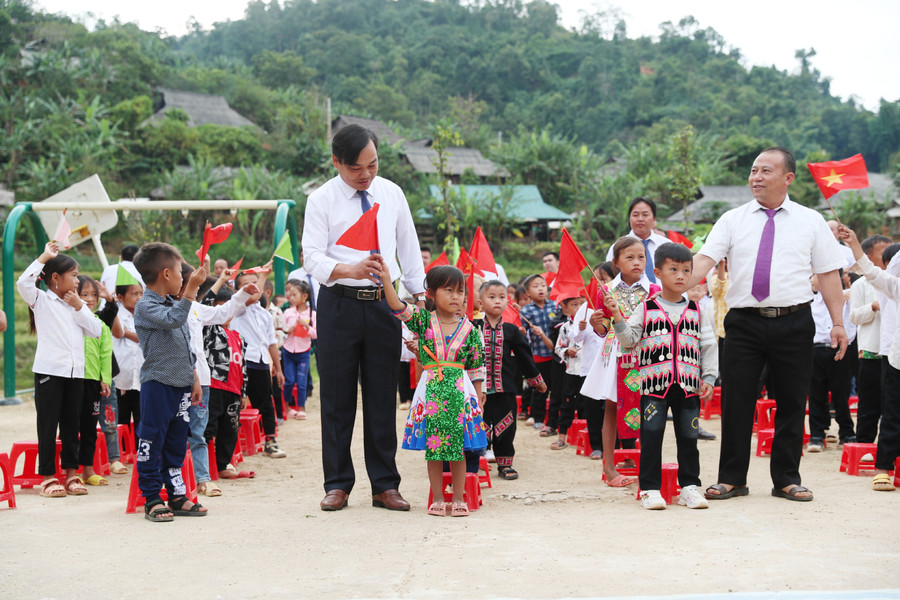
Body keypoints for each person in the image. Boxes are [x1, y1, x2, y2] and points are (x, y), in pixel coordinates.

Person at [689, 147, 848, 503]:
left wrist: (838, 322)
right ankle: (732, 478)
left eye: (765, 171)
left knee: (792, 400)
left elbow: (828, 274)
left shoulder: (811, 221)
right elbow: (704, 260)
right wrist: (674, 282)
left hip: (795, 322)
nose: (756, 177)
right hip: (743, 323)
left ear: (788, 178)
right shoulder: (732, 219)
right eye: (753, 170)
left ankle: (787, 479)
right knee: (736, 401)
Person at [302, 123, 427, 512]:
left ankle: (385, 485)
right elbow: (312, 256)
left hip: (383, 304)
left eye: (372, 164)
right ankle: (337, 484)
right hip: (338, 303)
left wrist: (421, 298)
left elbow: (409, 247)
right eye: (356, 167)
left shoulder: (391, 193)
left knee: (382, 395)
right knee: (336, 397)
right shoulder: (320, 199)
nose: (366, 174)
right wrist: (349, 269)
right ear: (336, 162)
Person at [608, 242, 718, 509]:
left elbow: (708, 346)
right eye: (674, 269)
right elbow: (629, 340)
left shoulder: (697, 310)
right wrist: (617, 317)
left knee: (689, 439)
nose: (681, 276)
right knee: (651, 438)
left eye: (686, 270)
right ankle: (649, 489)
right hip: (653, 388)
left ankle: (690, 487)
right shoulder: (646, 308)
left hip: (689, 387)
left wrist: (709, 377)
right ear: (658, 272)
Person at [381, 265, 487, 516]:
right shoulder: (423, 321)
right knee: (435, 447)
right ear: (430, 293)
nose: (455, 296)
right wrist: (387, 278)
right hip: (431, 393)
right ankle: (438, 498)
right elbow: (396, 305)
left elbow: (475, 367)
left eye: (460, 291)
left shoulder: (471, 330)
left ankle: (459, 498)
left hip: (461, 394)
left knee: (459, 448)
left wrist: (479, 398)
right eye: (448, 290)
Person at [17, 242, 102, 498]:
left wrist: (79, 306)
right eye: (73, 275)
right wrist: (44, 257)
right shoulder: (41, 300)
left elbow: (96, 331)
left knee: (71, 426)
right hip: (49, 373)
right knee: (48, 425)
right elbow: (23, 283)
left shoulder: (77, 305)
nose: (77, 281)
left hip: (75, 375)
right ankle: (48, 477)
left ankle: (71, 475)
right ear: (56, 278)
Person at [132, 243, 209, 522]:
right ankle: (152, 497)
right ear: (166, 274)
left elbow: (185, 344)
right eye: (179, 272)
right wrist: (192, 290)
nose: (183, 278)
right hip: (158, 384)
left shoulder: (174, 304)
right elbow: (174, 321)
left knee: (177, 442)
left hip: (182, 385)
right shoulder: (145, 306)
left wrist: (194, 378)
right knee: (152, 440)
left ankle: (177, 495)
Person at [582, 237, 654, 486]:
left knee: (651, 407)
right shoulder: (605, 291)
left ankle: (648, 464)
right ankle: (610, 467)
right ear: (616, 262)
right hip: (616, 355)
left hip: (647, 355)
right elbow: (603, 329)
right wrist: (596, 323)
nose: (636, 262)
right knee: (612, 407)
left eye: (641, 257)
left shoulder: (654, 290)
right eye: (629, 257)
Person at [183, 266, 254, 498]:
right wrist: (221, 280)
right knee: (185, 432)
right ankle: (178, 479)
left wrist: (241, 294)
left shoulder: (197, 311)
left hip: (208, 384)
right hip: (184, 382)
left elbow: (221, 312)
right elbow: (209, 301)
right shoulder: (163, 309)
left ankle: (205, 477)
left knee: (202, 433)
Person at [840, 226, 900, 491]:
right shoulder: (895, 286)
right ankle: (883, 468)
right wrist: (854, 242)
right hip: (896, 359)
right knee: (892, 415)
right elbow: (871, 271)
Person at [477, 280, 546, 479]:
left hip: (505, 387)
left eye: (502, 297)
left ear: (507, 302)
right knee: (478, 425)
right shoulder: (472, 328)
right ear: (480, 303)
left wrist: (536, 379)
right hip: (478, 389)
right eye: (491, 297)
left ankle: (505, 464)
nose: (497, 301)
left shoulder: (512, 330)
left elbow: (525, 357)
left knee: (506, 426)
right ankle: (476, 461)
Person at [229, 270, 287, 458]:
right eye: (247, 285)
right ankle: (231, 449)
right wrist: (262, 276)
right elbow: (247, 299)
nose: (254, 288)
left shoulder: (264, 314)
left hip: (260, 362)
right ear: (237, 291)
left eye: (256, 283)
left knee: (266, 403)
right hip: (241, 363)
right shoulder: (236, 309)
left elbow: (271, 342)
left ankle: (270, 441)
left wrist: (278, 369)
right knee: (234, 405)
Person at [849, 235, 893, 444]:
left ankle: (889, 448)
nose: (891, 256)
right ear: (867, 257)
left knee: (890, 403)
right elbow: (854, 316)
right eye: (884, 251)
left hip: (893, 352)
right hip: (871, 350)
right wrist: (873, 307)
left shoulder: (894, 282)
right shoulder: (861, 285)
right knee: (869, 403)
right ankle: (864, 444)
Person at [571, 262, 616, 459]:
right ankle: (597, 446)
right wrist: (582, 328)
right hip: (590, 367)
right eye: (596, 279)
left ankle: (617, 446)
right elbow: (576, 338)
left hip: (613, 367)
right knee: (593, 408)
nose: (600, 284)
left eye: (604, 279)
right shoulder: (586, 308)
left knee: (612, 407)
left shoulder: (620, 304)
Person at [807, 272, 856, 451]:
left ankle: (847, 433)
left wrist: (850, 293)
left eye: (815, 275)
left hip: (840, 349)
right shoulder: (809, 300)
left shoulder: (846, 297)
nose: (812, 279)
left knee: (841, 394)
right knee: (816, 394)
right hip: (815, 349)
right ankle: (817, 435)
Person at [76, 275, 118, 486]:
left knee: (89, 427)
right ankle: (70, 471)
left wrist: (105, 380)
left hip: (93, 381)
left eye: (93, 294)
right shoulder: (69, 321)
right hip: (72, 379)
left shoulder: (100, 324)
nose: (90, 299)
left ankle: (88, 470)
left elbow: (105, 354)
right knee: (70, 427)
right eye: (84, 294)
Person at [520, 274, 558, 428]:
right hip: (538, 355)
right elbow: (523, 334)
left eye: (543, 285)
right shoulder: (526, 311)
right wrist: (523, 332)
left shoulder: (555, 306)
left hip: (556, 355)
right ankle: (538, 418)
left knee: (555, 388)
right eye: (535, 286)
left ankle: (553, 419)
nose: (540, 289)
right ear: (528, 292)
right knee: (540, 389)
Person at [550, 295, 587, 450]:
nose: (579, 308)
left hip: (588, 372)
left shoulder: (594, 326)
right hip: (571, 370)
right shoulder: (565, 327)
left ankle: (589, 439)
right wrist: (566, 350)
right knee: (567, 403)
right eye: (574, 304)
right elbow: (557, 348)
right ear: (566, 308)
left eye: (582, 304)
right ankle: (562, 436)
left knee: (587, 405)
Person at [605, 197, 670, 284]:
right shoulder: (618, 247)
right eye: (635, 215)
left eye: (645, 215)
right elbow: (609, 277)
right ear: (629, 218)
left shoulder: (667, 245)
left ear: (654, 219)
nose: (640, 219)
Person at [113, 281, 144, 455]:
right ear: (120, 297)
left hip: (141, 374)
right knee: (121, 417)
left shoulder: (146, 315)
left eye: (141, 293)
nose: (139, 297)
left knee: (141, 416)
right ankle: (122, 453)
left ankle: (140, 452)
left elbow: (144, 338)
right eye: (134, 294)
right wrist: (125, 333)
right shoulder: (115, 315)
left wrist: (127, 333)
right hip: (121, 376)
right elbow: (117, 332)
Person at [282, 278, 316, 420]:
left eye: (294, 295)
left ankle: (301, 408)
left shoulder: (312, 314)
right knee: (289, 381)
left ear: (304, 296)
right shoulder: (288, 312)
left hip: (303, 352)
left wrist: (306, 326)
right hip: (288, 351)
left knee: (302, 382)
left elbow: (316, 334)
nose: (291, 297)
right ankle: (286, 407)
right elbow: (281, 330)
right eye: (290, 295)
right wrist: (288, 330)